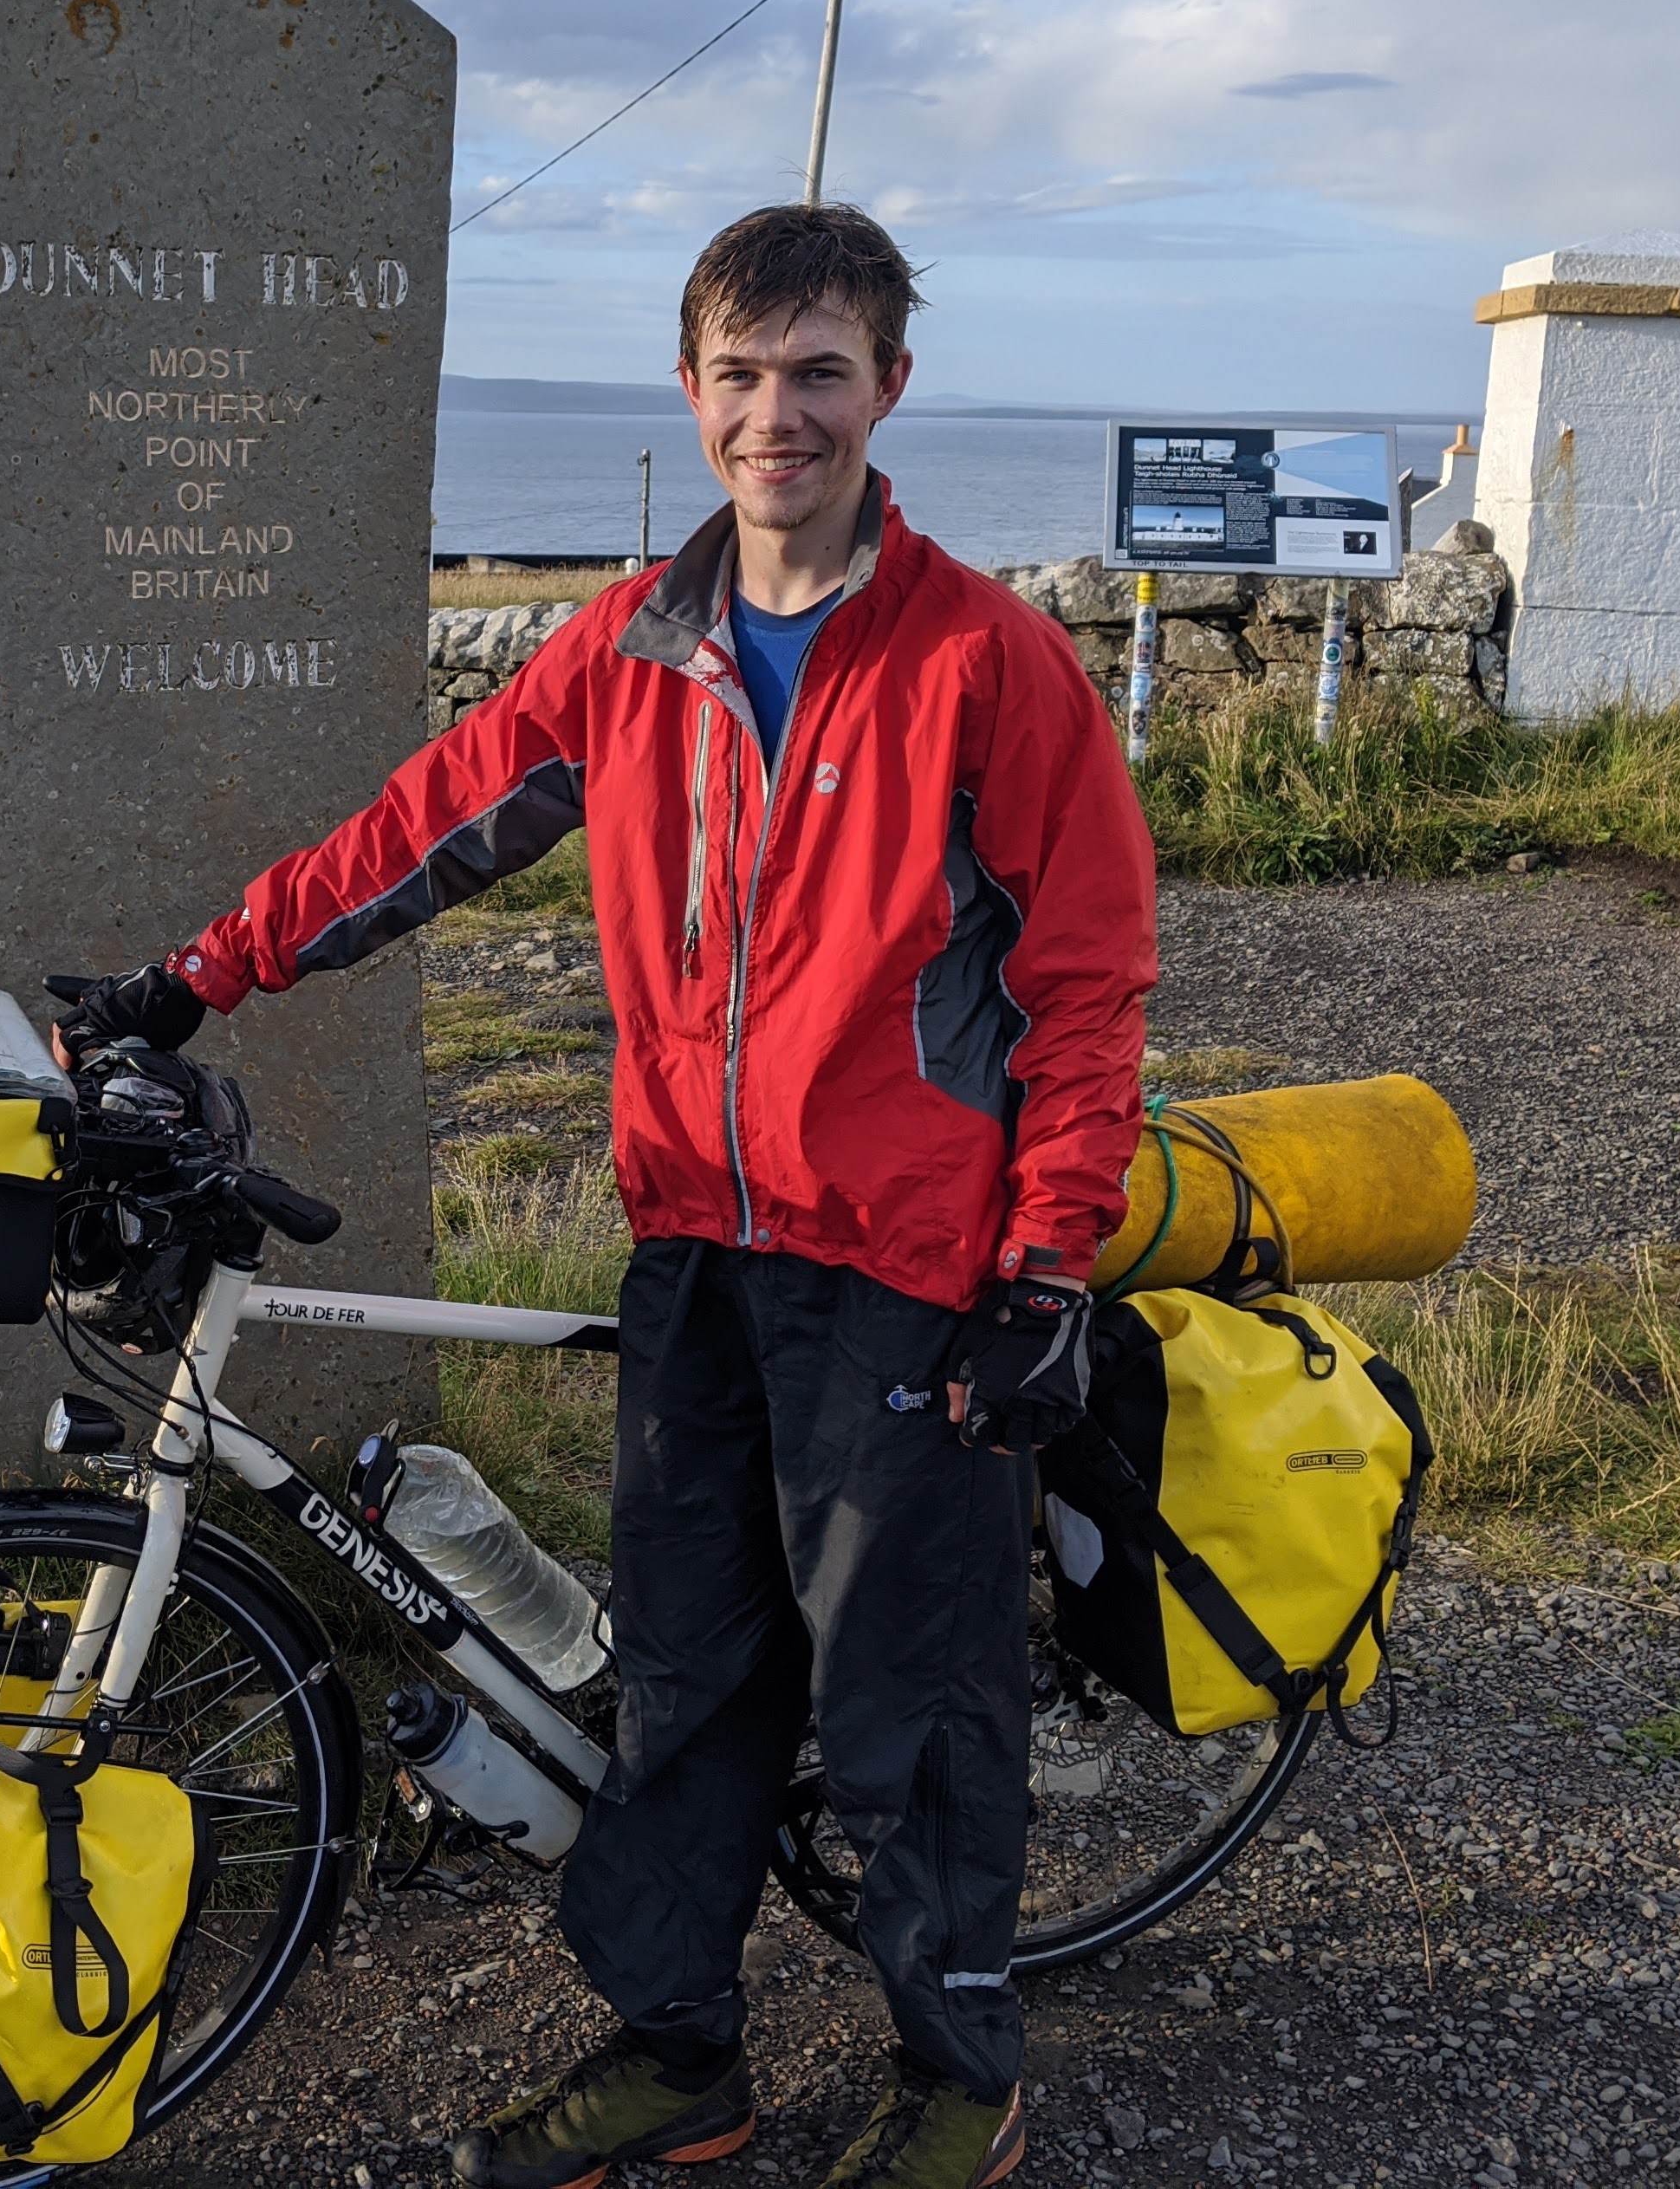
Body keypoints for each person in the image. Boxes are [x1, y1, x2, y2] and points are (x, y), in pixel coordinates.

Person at [59, 204, 1156, 2189]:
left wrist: (1049, 1259)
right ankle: (680, 2057)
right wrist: (190, 978)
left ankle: (959, 2085)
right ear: (691, 391)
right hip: (696, 1253)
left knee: (912, 1707)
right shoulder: (635, 648)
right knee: (685, 1679)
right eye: (741, 374)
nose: (777, 416)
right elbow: (424, 826)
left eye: (820, 372)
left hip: (910, 1276)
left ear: (889, 390)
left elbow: (1087, 991)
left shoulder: (989, 668)